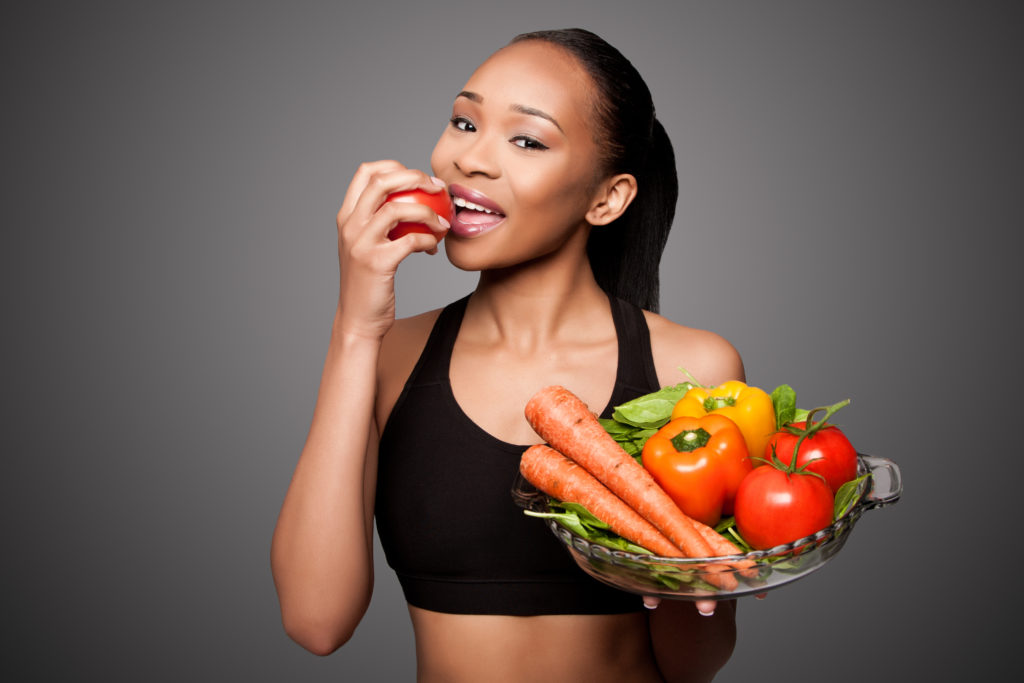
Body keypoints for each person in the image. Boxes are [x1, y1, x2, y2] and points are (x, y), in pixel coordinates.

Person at [271, 28, 743, 682]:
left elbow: (692, 664)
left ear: (607, 198)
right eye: (464, 122)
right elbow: (314, 621)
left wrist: (682, 553)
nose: (470, 159)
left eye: (526, 139)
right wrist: (354, 326)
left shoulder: (694, 369)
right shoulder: (386, 357)